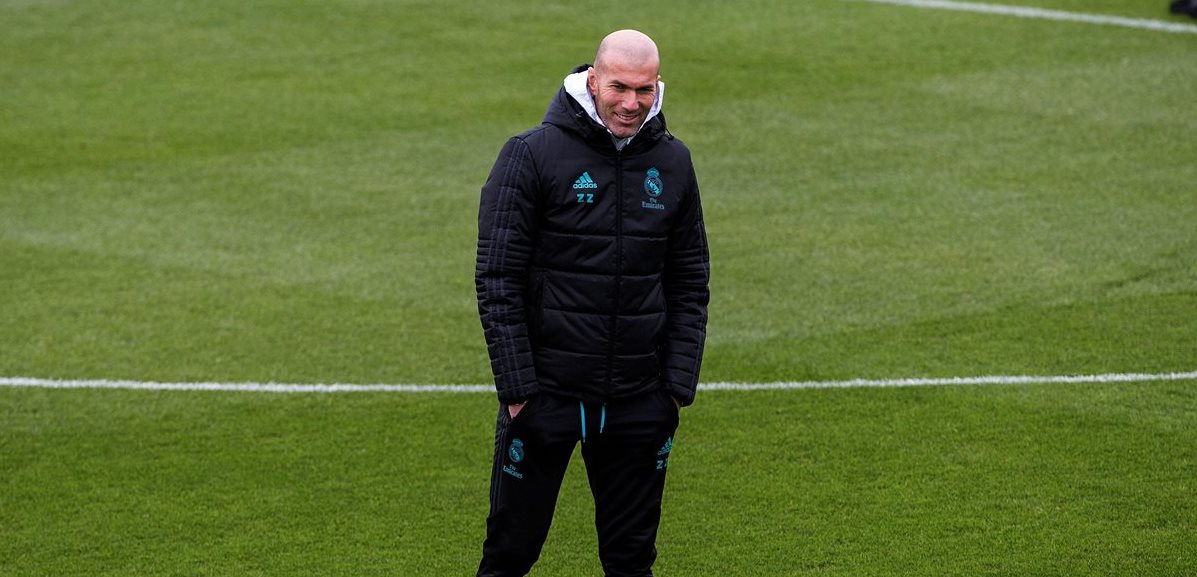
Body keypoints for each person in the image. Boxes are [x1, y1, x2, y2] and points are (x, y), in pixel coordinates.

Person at [474, 29, 710, 577]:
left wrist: (674, 390)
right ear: (592, 80)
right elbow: (497, 276)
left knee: (631, 561)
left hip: (638, 400)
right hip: (546, 397)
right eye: (620, 88)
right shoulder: (531, 155)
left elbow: (690, 279)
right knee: (509, 556)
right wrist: (518, 392)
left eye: (645, 90)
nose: (632, 103)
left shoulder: (674, 163)